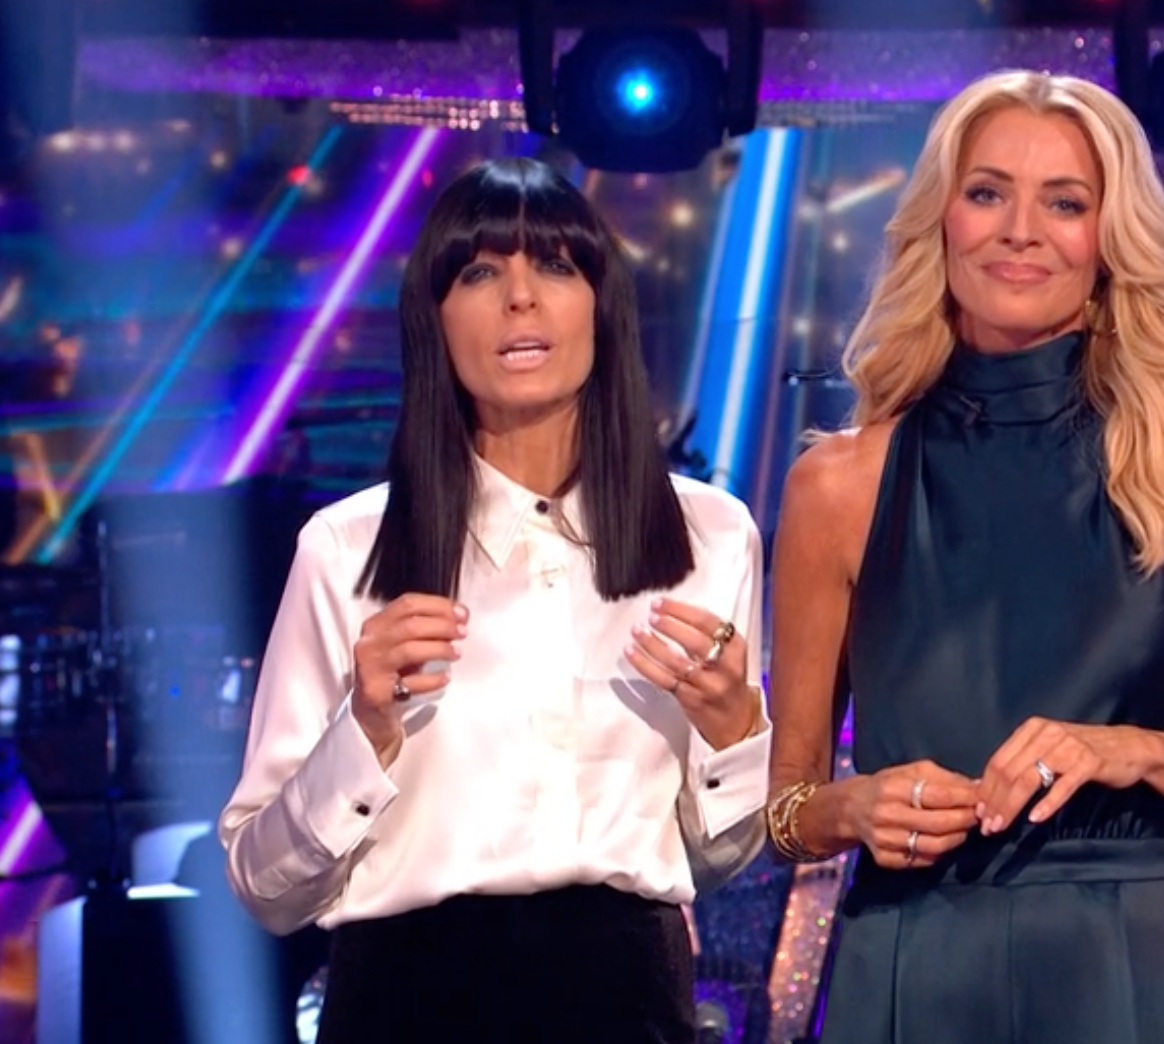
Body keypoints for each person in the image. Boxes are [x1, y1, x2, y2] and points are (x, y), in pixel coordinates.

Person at [765, 70, 1164, 1043]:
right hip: (910, 960)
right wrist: (853, 810)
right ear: (941, 218)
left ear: (1110, 239)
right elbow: (785, 807)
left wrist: (1138, 750)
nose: (1020, 231)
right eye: (988, 192)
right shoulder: (838, 484)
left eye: (1065, 203)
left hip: (1138, 963)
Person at [219, 157, 770, 1044]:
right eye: (479, 273)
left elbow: (714, 860)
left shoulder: (708, 536)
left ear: (601, 304)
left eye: (554, 266)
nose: (521, 298)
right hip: (404, 1004)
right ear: (434, 317)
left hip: (624, 1003)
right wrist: (365, 730)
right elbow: (264, 886)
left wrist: (736, 731)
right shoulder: (346, 549)